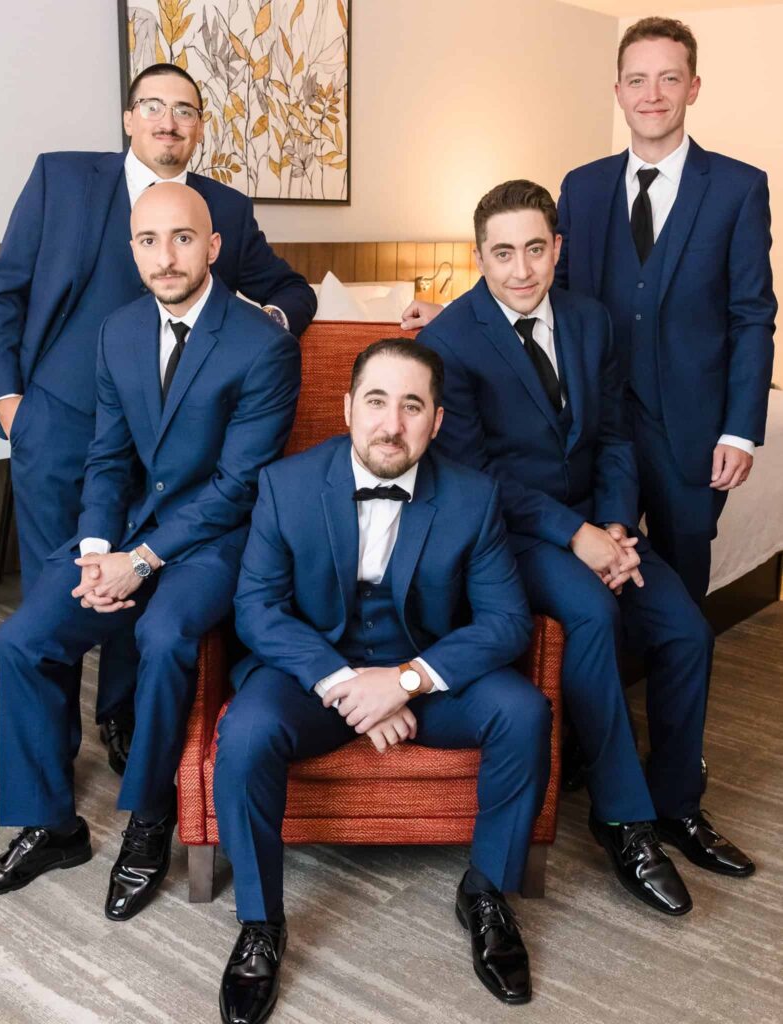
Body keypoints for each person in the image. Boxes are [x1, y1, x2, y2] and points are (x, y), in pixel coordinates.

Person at [0, 183, 301, 923]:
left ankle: (151, 820)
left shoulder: (263, 344)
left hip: (217, 542)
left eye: (182, 238)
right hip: (125, 534)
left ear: (212, 248)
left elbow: (237, 485)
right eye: (148, 241)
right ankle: (52, 827)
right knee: (23, 638)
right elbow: (109, 457)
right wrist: (94, 550)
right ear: (133, 250)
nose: (165, 255)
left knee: (162, 635)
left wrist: (141, 561)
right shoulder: (118, 331)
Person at [417, 180, 754, 919]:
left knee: (685, 632)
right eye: (501, 253)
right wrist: (576, 537)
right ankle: (621, 821)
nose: (520, 270)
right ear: (479, 256)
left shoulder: (590, 320)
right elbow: (478, 477)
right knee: (593, 618)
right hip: (511, 533)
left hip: (597, 523)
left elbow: (611, 439)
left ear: (557, 248)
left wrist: (614, 528)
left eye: (534, 249)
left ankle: (675, 803)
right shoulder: (449, 341)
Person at [0, 62, 316, 767]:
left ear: (198, 127)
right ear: (129, 118)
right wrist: (12, 404)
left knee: (140, 587)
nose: (169, 121)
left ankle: (122, 724)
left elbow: (286, 287)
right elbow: (4, 293)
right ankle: (50, 763)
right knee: (57, 598)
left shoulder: (223, 208)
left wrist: (268, 327)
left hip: (166, 451)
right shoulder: (62, 180)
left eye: (185, 110)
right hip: (59, 428)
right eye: (153, 106)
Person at [214, 339, 552, 1022]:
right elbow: (257, 608)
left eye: (411, 406)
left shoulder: (473, 496)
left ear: (436, 420)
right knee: (246, 731)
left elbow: (506, 621)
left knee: (524, 713)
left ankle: (485, 893)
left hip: (428, 677)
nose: (390, 424)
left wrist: (405, 680)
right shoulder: (285, 485)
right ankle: (260, 922)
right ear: (346, 408)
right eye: (375, 401)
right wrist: (344, 682)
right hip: (313, 673)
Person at [402, 17, 776, 606]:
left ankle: (669, 683)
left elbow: (752, 315)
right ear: (619, 92)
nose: (652, 95)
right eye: (637, 81)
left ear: (693, 87)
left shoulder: (738, 188)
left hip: (693, 432)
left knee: (678, 595)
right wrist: (455, 311)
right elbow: (544, 287)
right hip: (597, 430)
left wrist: (741, 431)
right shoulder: (583, 185)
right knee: (614, 585)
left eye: (668, 79)